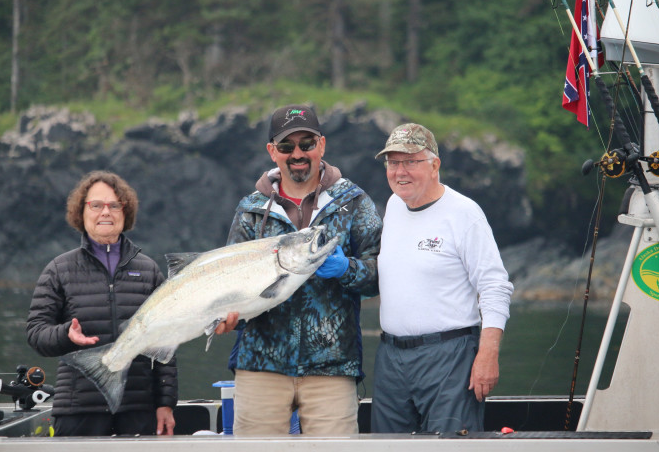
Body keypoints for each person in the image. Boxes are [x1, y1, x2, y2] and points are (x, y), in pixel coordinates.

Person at [219, 104, 382, 436]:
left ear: (321, 145)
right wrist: (225, 316)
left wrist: (346, 270)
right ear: (272, 152)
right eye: (286, 146)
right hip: (260, 367)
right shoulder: (249, 211)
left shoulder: (354, 202)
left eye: (306, 143)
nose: (297, 153)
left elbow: (379, 275)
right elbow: (229, 281)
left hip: (332, 369)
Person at [370, 123, 514, 435]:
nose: (400, 172)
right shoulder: (393, 206)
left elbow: (494, 287)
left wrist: (487, 355)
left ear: (435, 164)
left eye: (411, 161)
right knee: (385, 445)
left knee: (449, 445)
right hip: (391, 357)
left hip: (449, 357)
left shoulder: (465, 214)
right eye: (393, 163)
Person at [26, 170, 177, 436]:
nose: (105, 212)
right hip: (78, 409)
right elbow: (36, 333)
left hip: (138, 408)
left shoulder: (149, 270)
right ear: (81, 212)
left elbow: (165, 341)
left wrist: (165, 403)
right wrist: (65, 335)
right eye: (96, 205)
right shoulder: (59, 269)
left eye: (114, 205)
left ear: (125, 212)